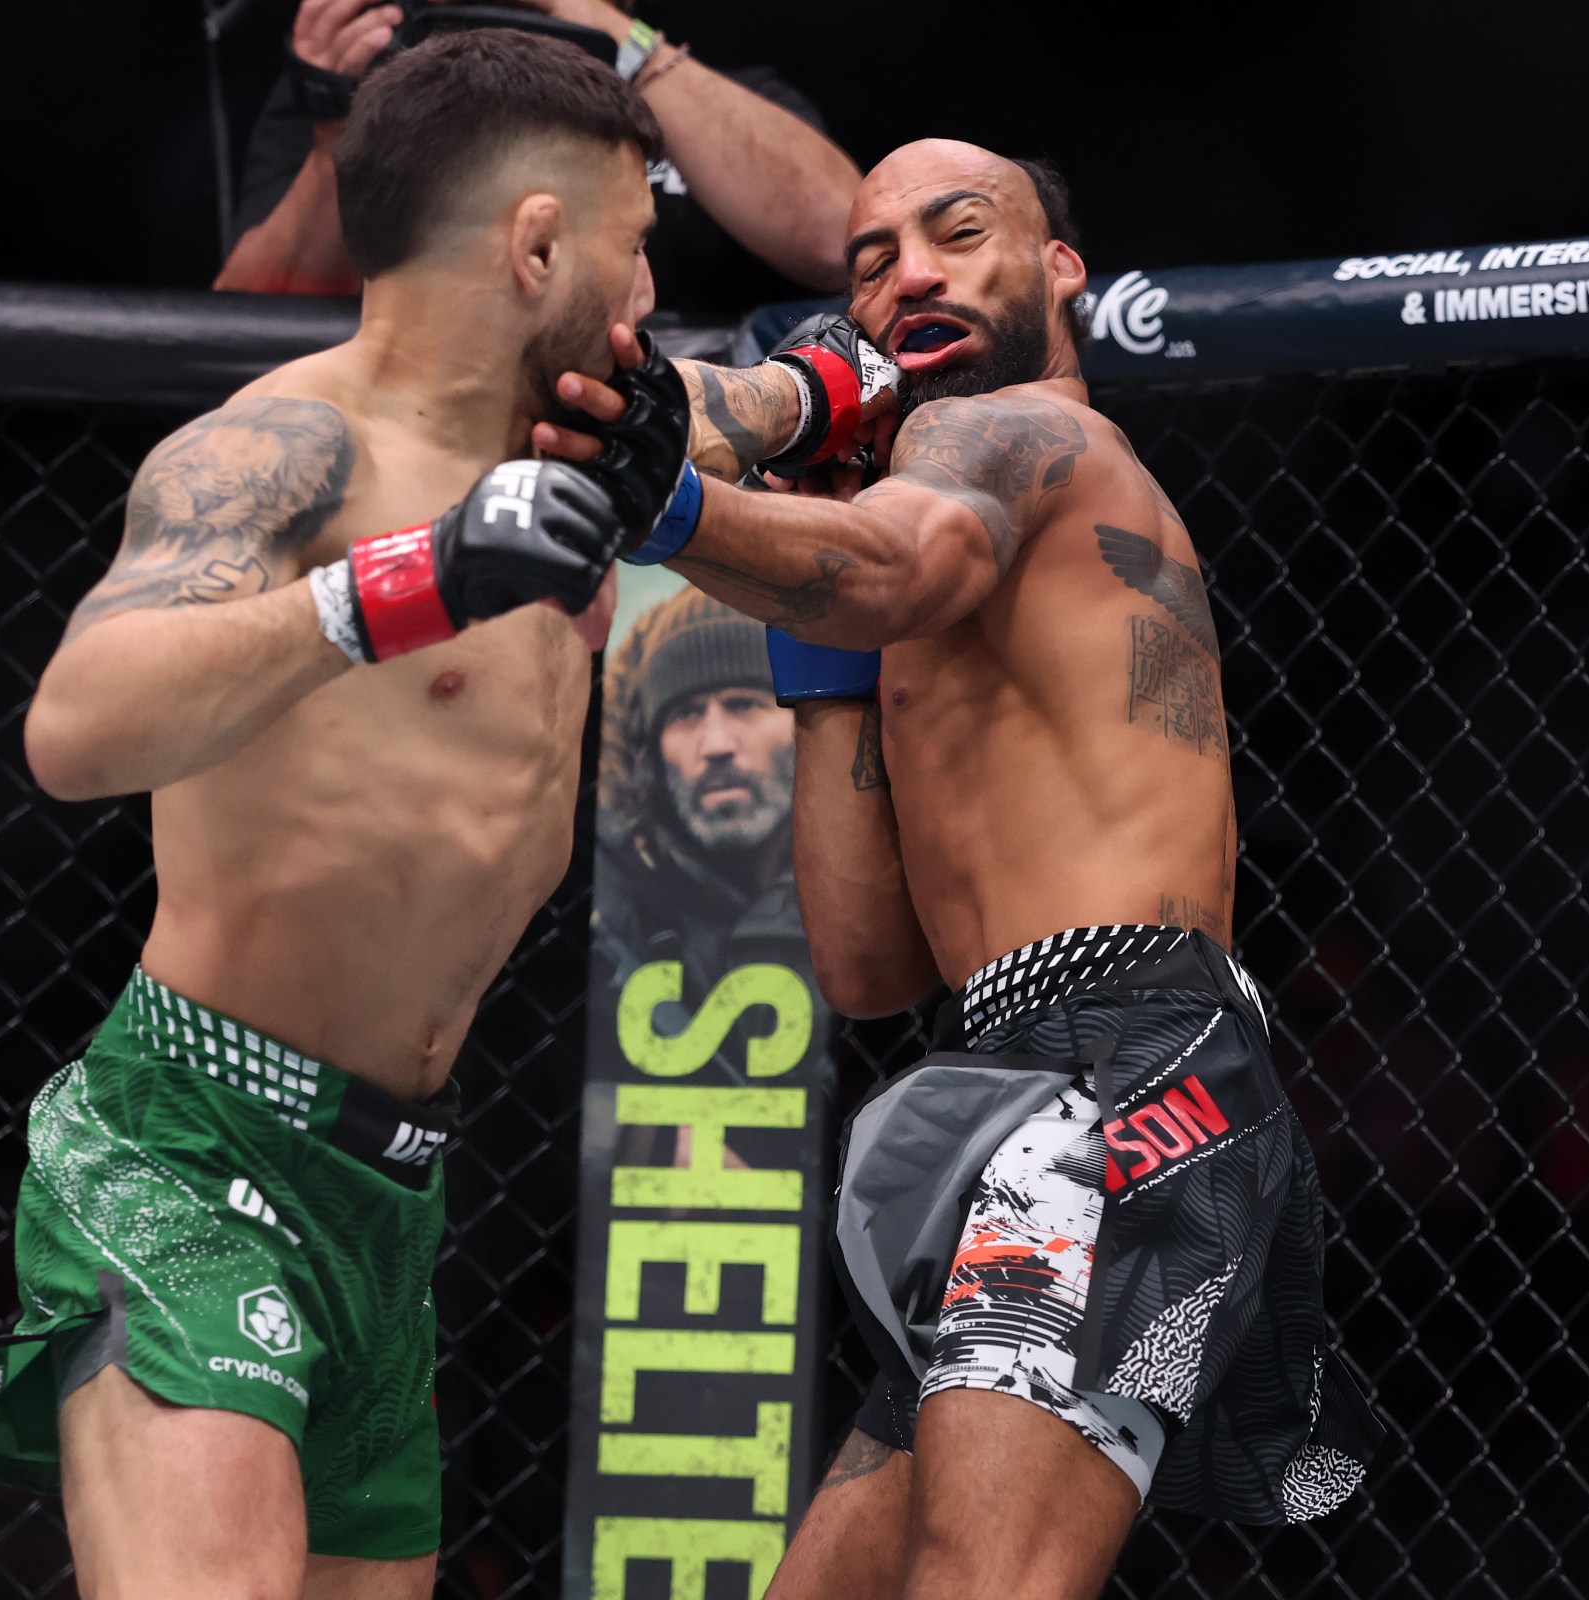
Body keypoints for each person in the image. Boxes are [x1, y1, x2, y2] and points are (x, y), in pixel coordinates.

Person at [539, 139, 1381, 1598]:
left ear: (1059, 270)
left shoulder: (1019, 438)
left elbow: (894, 559)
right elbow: (868, 963)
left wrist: (673, 503)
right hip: (1003, 1069)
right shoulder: (922, 540)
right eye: (871, 263)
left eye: (959, 232)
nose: (910, 273)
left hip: (1123, 1072)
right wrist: (822, 651)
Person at [0, 34, 664, 1599]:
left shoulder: (580, 454)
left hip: (392, 1196)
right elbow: (75, 727)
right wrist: (400, 587)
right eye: (632, 249)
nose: (647, 297)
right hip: (188, 1145)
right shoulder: (287, 446)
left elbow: (785, 401)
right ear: (535, 245)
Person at [218, 0, 859, 310]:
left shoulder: (722, 98)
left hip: (670, 442)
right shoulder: (366, 79)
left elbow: (840, 239)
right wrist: (340, 134)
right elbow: (234, 331)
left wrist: (600, 25)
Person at [595, 588, 803, 997]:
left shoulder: (874, 880)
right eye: (686, 714)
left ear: (803, 722)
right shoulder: (605, 902)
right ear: (649, 750)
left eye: (743, 705)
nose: (716, 745)